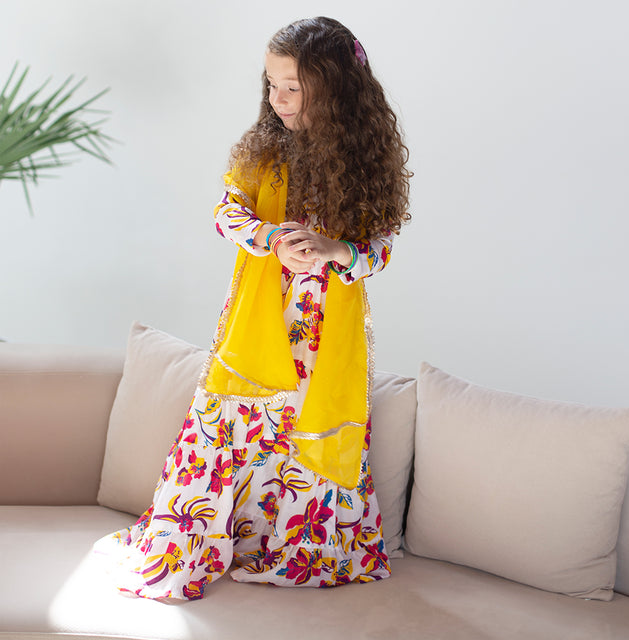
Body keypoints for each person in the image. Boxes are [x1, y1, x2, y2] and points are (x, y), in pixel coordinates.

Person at [95, 16, 411, 601]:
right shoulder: (265, 149)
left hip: (321, 342)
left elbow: (381, 249)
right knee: (222, 431)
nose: (278, 99)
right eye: (271, 84)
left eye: (294, 87)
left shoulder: (368, 165)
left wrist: (333, 249)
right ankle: (195, 544)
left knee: (303, 440)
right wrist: (269, 238)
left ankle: (300, 553)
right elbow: (226, 212)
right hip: (255, 328)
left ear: (336, 88)